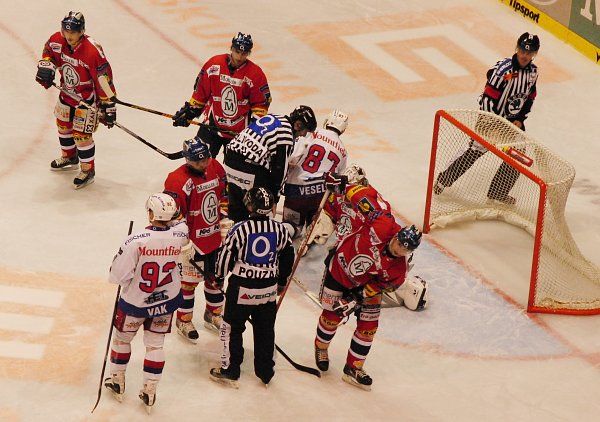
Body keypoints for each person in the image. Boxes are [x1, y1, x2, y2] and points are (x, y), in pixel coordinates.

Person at [313, 177, 423, 390]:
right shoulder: (382, 224)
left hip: (364, 287)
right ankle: (321, 347)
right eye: (399, 242)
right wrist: (343, 186)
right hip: (339, 270)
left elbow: (380, 286)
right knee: (331, 316)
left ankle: (353, 367)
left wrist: (353, 300)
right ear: (397, 234)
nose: (399, 248)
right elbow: (362, 197)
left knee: (368, 328)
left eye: (405, 248)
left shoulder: (398, 269)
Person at [433, 32, 540, 204]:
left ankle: (498, 192)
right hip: (490, 121)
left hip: (512, 124)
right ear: (517, 48)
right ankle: (443, 179)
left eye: (530, 52)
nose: (525, 55)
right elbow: (488, 98)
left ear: (534, 54)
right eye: (522, 50)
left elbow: (530, 98)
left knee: (518, 158)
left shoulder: (533, 73)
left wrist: (520, 119)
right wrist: (495, 123)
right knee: (475, 150)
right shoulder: (503, 70)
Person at [104, 193, 188, 413]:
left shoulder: (135, 240)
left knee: (122, 340)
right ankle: (150, 390)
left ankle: (117, 380)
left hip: (135, 304)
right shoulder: (180, 235)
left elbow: (117, 276)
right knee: (155, 345)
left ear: (151, 213)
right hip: (166, 302)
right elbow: (182, 225)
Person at [209, 187, 295, 387]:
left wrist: (219, 277)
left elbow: (225, 257)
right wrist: (281, 281)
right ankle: (266, 371)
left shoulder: (239, 229)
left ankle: (230, 368)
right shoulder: (280, 229)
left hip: (242, 288)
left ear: (249, 206)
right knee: (265, 329)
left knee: (232, 328)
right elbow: (288, 255)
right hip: (267, 290)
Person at [36, 11, 117, 189]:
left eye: (73, 32)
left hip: (86, 100)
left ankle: (88, 170)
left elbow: (104, 79)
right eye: (66, 31)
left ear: (82, 31)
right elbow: (48, 51)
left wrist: (108, 105)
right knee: (63, 126)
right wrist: (47, 66)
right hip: (66, 94)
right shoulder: (57, 40)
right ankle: (70, 156)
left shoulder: (93, 51)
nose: (69, 35)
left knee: (81, 136)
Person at [163, 136, 229, 340]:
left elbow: (223, 195)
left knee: (216, 280)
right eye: (198, 161)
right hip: (193, 243)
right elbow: (173, 215)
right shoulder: (177, 180)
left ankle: (213, 314)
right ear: (187, 160)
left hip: (215, 238)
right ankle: (183, 320)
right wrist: (183, 241)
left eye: (206, 159)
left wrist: (224, 219)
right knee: (188, 285)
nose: (204, 164)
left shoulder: (215, 166)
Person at [172, 32, 271, 158]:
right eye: (237, 51)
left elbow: (261, 103)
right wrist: (190, 111)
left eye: (244, 53)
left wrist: (253, 129)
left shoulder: (255, 74)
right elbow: (201, 91)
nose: (240, 57)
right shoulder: (214, 64)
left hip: (239, 133)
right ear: (231, 48)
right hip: (212, 126)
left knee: (236, 172)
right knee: (199, 162)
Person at [224, 105, 318, 222]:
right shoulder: (286, 134)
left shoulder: (274, 117)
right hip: (249, 168)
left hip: (229, 162)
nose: (304, 135)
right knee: (262, 207)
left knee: (237, 208)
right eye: (305, 131)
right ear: (298, 124)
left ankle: (237, 233)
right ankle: (258, 233)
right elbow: (279, 170)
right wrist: (274, 198)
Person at [282, 109, 349, 238]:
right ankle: (311, 237)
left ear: (327, 121)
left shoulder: (312, 133)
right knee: (313, 228)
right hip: (319, 194)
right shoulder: (343, 151)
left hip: (296, 189)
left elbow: (292, 157)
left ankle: (285, 236)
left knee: (291, 226)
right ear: (343, 129)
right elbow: (338, 181)